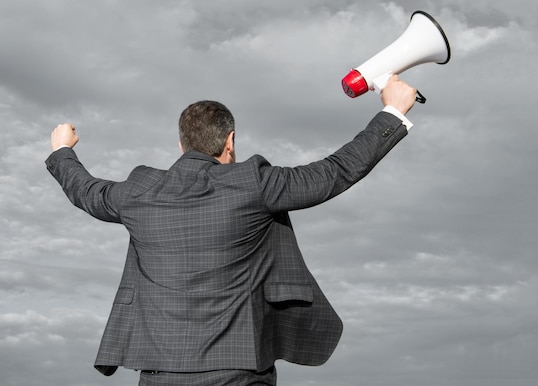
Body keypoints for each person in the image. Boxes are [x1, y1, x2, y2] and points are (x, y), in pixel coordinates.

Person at [45, 75, 417, 385]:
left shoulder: (138, 191)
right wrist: (392, 111)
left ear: (181, 145)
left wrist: (62, 150)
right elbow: (334, 172)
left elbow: (86, 191)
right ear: (230, 141)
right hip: (236, 372)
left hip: (159, 373)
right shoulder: (252, 183)